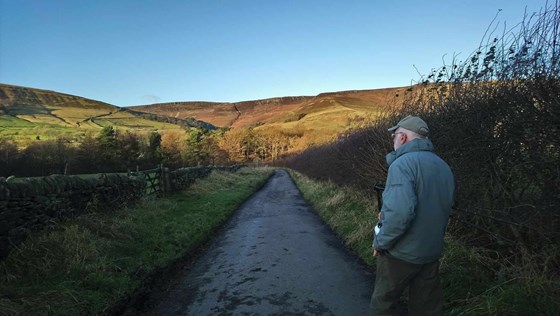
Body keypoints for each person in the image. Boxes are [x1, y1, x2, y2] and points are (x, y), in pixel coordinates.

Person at [370, 115, 455, 316]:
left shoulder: (401, 165)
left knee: (383, 304)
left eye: (394, 136)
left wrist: (380, 243)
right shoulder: (442, 166)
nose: (393, 141)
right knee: (426, 308)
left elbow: (399, 214)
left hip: (401, 254)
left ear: (403, 138)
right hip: (431, 251)